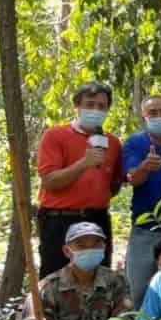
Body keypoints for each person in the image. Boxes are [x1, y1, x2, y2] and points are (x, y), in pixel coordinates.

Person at [36, 81, 123, 277]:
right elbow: (49, 181)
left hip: (98, 219)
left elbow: (115, 183)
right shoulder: (55, 135)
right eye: (90, 104)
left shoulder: (113, 143)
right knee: (56, 277)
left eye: (101, 106)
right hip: (59, 220)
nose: (95, 110)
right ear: (77, 106)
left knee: (99, 277)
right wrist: (84, 163)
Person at [123, 95, 161, 308]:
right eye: (153, 113)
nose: (159, 117)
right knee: (138, 291)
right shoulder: (135, 143)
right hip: (144, 230)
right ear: (144, 117)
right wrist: (144, 167)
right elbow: (132, 178)